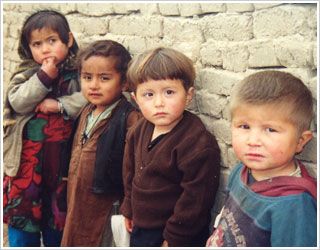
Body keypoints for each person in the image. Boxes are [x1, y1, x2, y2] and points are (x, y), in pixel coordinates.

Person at [120, 47, 221, 247]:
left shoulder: (197, 144)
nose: (159, 103)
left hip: (175, 233)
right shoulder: (139, 130)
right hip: (142, 226)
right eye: (148, 94)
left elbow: (195, 200)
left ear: (189, 94)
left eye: (169, 92)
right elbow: (130, 173)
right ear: (135, 99)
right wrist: (129, 209)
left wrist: (174, 238)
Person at [3, 10, 87, 247]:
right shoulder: (27, 73)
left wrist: (60, 105)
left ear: (68, 40)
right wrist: (43, 77)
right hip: (26, 170)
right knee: (22, 225)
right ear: (28, 48)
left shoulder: (80, 73)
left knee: (58, 227)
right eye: (37, 44)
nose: (45, 49)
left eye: (52, 41)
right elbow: (18, 101)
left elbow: (89, 99)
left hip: (61, 169)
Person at [206, 70, 317, 247]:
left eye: (270, 130)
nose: (253, 141)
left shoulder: (293, 205)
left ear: (300, 141)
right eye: (244, 126)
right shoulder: (240, 170)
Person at [60, 40, 141, 247]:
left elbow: (134, 167)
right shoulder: (87, 110)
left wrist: (128, 206)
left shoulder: (129, 119)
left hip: (107, 204)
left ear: (124, 82)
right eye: (87, 77)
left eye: (104, 78)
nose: (94, 85)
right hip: (78, 197)